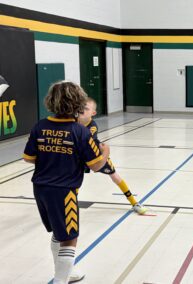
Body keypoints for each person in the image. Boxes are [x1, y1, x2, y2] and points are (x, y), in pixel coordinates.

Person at [23, 81, 110, 284]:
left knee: (58, 232)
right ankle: (60, 281)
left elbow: (28, 158)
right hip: (64, 192)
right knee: (70, 238)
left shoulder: (40, 126)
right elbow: (96, 166)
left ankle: (64, 274)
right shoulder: (80, 131)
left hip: (40, 188)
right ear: (77, 103)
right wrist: (105, 151)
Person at [78, 97, 147, 215]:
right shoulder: (71, 122)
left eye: (86, 108)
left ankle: (134, 202)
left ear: (93, 113)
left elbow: (84, 140)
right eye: (80, 107)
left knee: (114, 175)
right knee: (75, 179)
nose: (81, 110)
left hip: (95, 154)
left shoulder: (92, 126)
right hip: (79, 155)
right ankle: (68, 204)